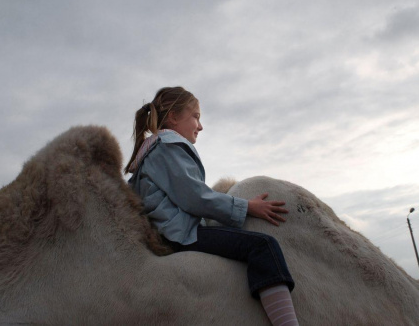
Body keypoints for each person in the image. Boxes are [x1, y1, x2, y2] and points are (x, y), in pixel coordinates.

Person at [125, 86, 299, 326]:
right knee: (263, 246)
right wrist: (247, 206)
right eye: (195, 116)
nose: (200, 125)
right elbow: (195, 197)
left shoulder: (151, 151)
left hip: (165, 232)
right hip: (178, 235)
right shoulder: (167, 146)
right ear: (174, 117)